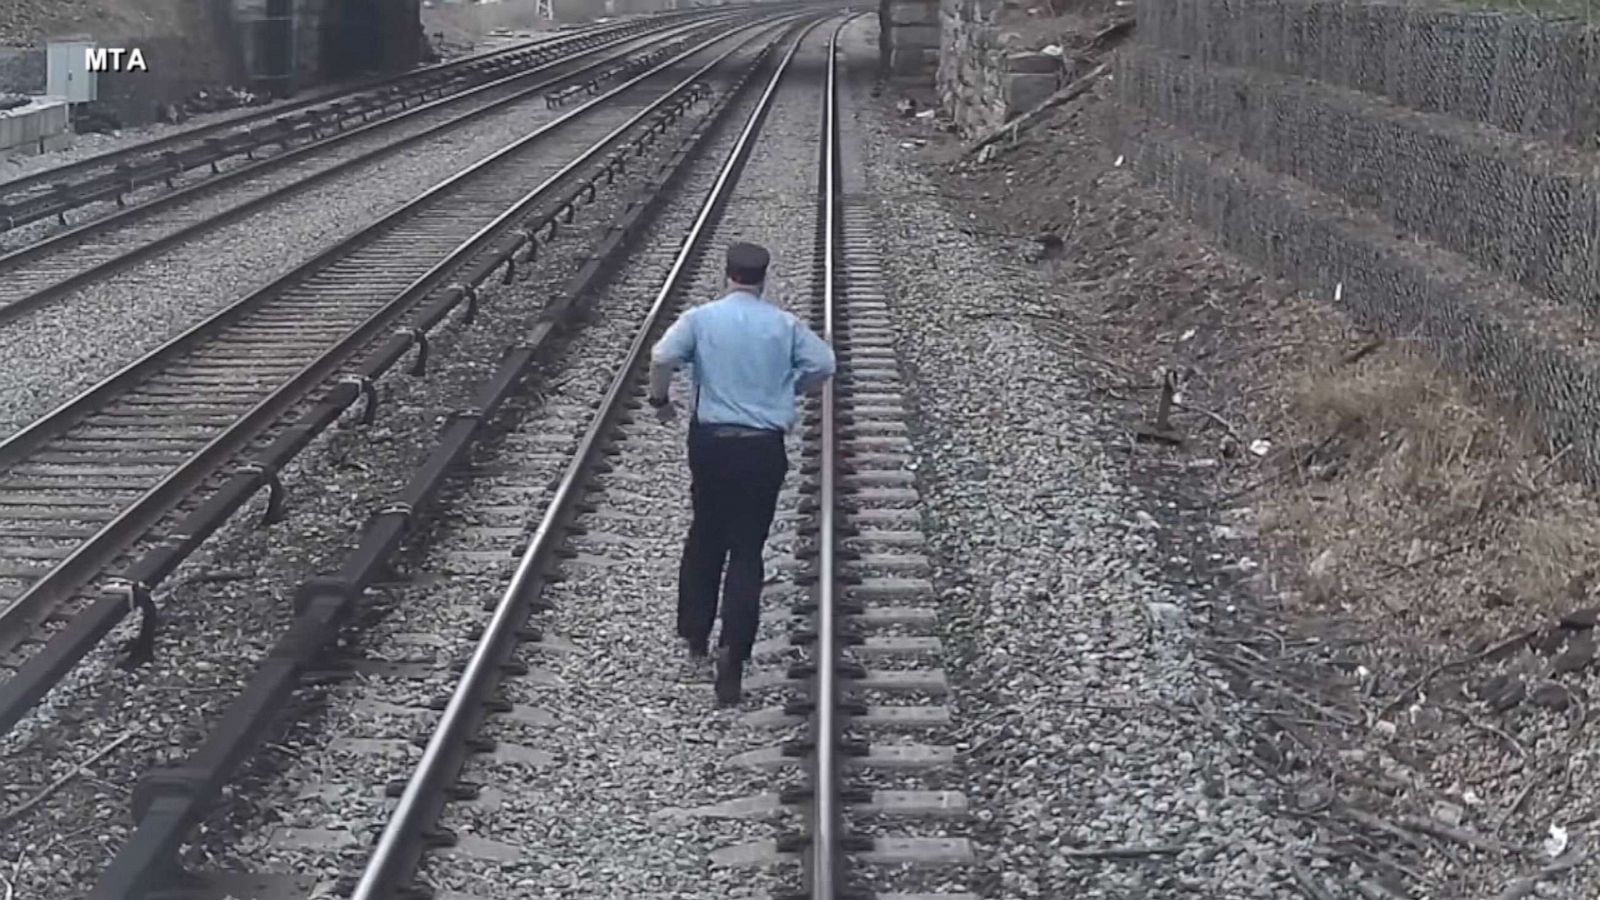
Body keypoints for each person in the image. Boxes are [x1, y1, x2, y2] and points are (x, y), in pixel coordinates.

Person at [646, 241, 837, 706]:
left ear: (726, 274)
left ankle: (695, 632)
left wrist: (660, 401)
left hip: (712, 445)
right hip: (762, 448)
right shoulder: (783, 325)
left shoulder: (701, 318)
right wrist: (792, 388)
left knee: (706, 535)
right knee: (748, 550)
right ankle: (735, 651)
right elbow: (824, 365)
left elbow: (660, 356)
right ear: (763, 279)